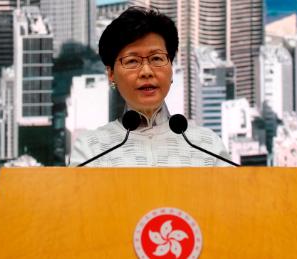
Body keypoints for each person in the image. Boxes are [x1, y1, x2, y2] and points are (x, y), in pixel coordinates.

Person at [69, 6, 230, 167]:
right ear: (111, 74)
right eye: (132, 61)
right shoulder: (90, 149)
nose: (146, 71)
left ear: (171, 68)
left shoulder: (207, 146)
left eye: (157, 59)